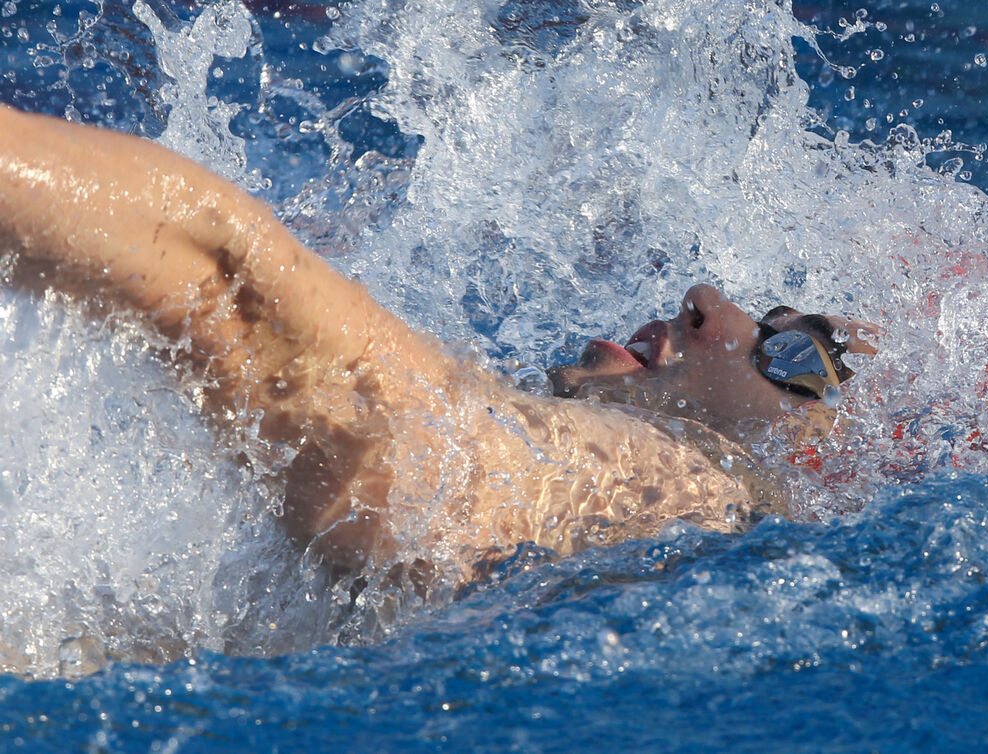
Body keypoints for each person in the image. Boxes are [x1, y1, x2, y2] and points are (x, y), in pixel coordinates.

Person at [0, 104, 878, 590]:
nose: (707, 303)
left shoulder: (688, 488)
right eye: (770, 311)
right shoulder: (578, 503)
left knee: (220, 263)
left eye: (792, 357)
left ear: (812, 455)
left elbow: (218, 277)